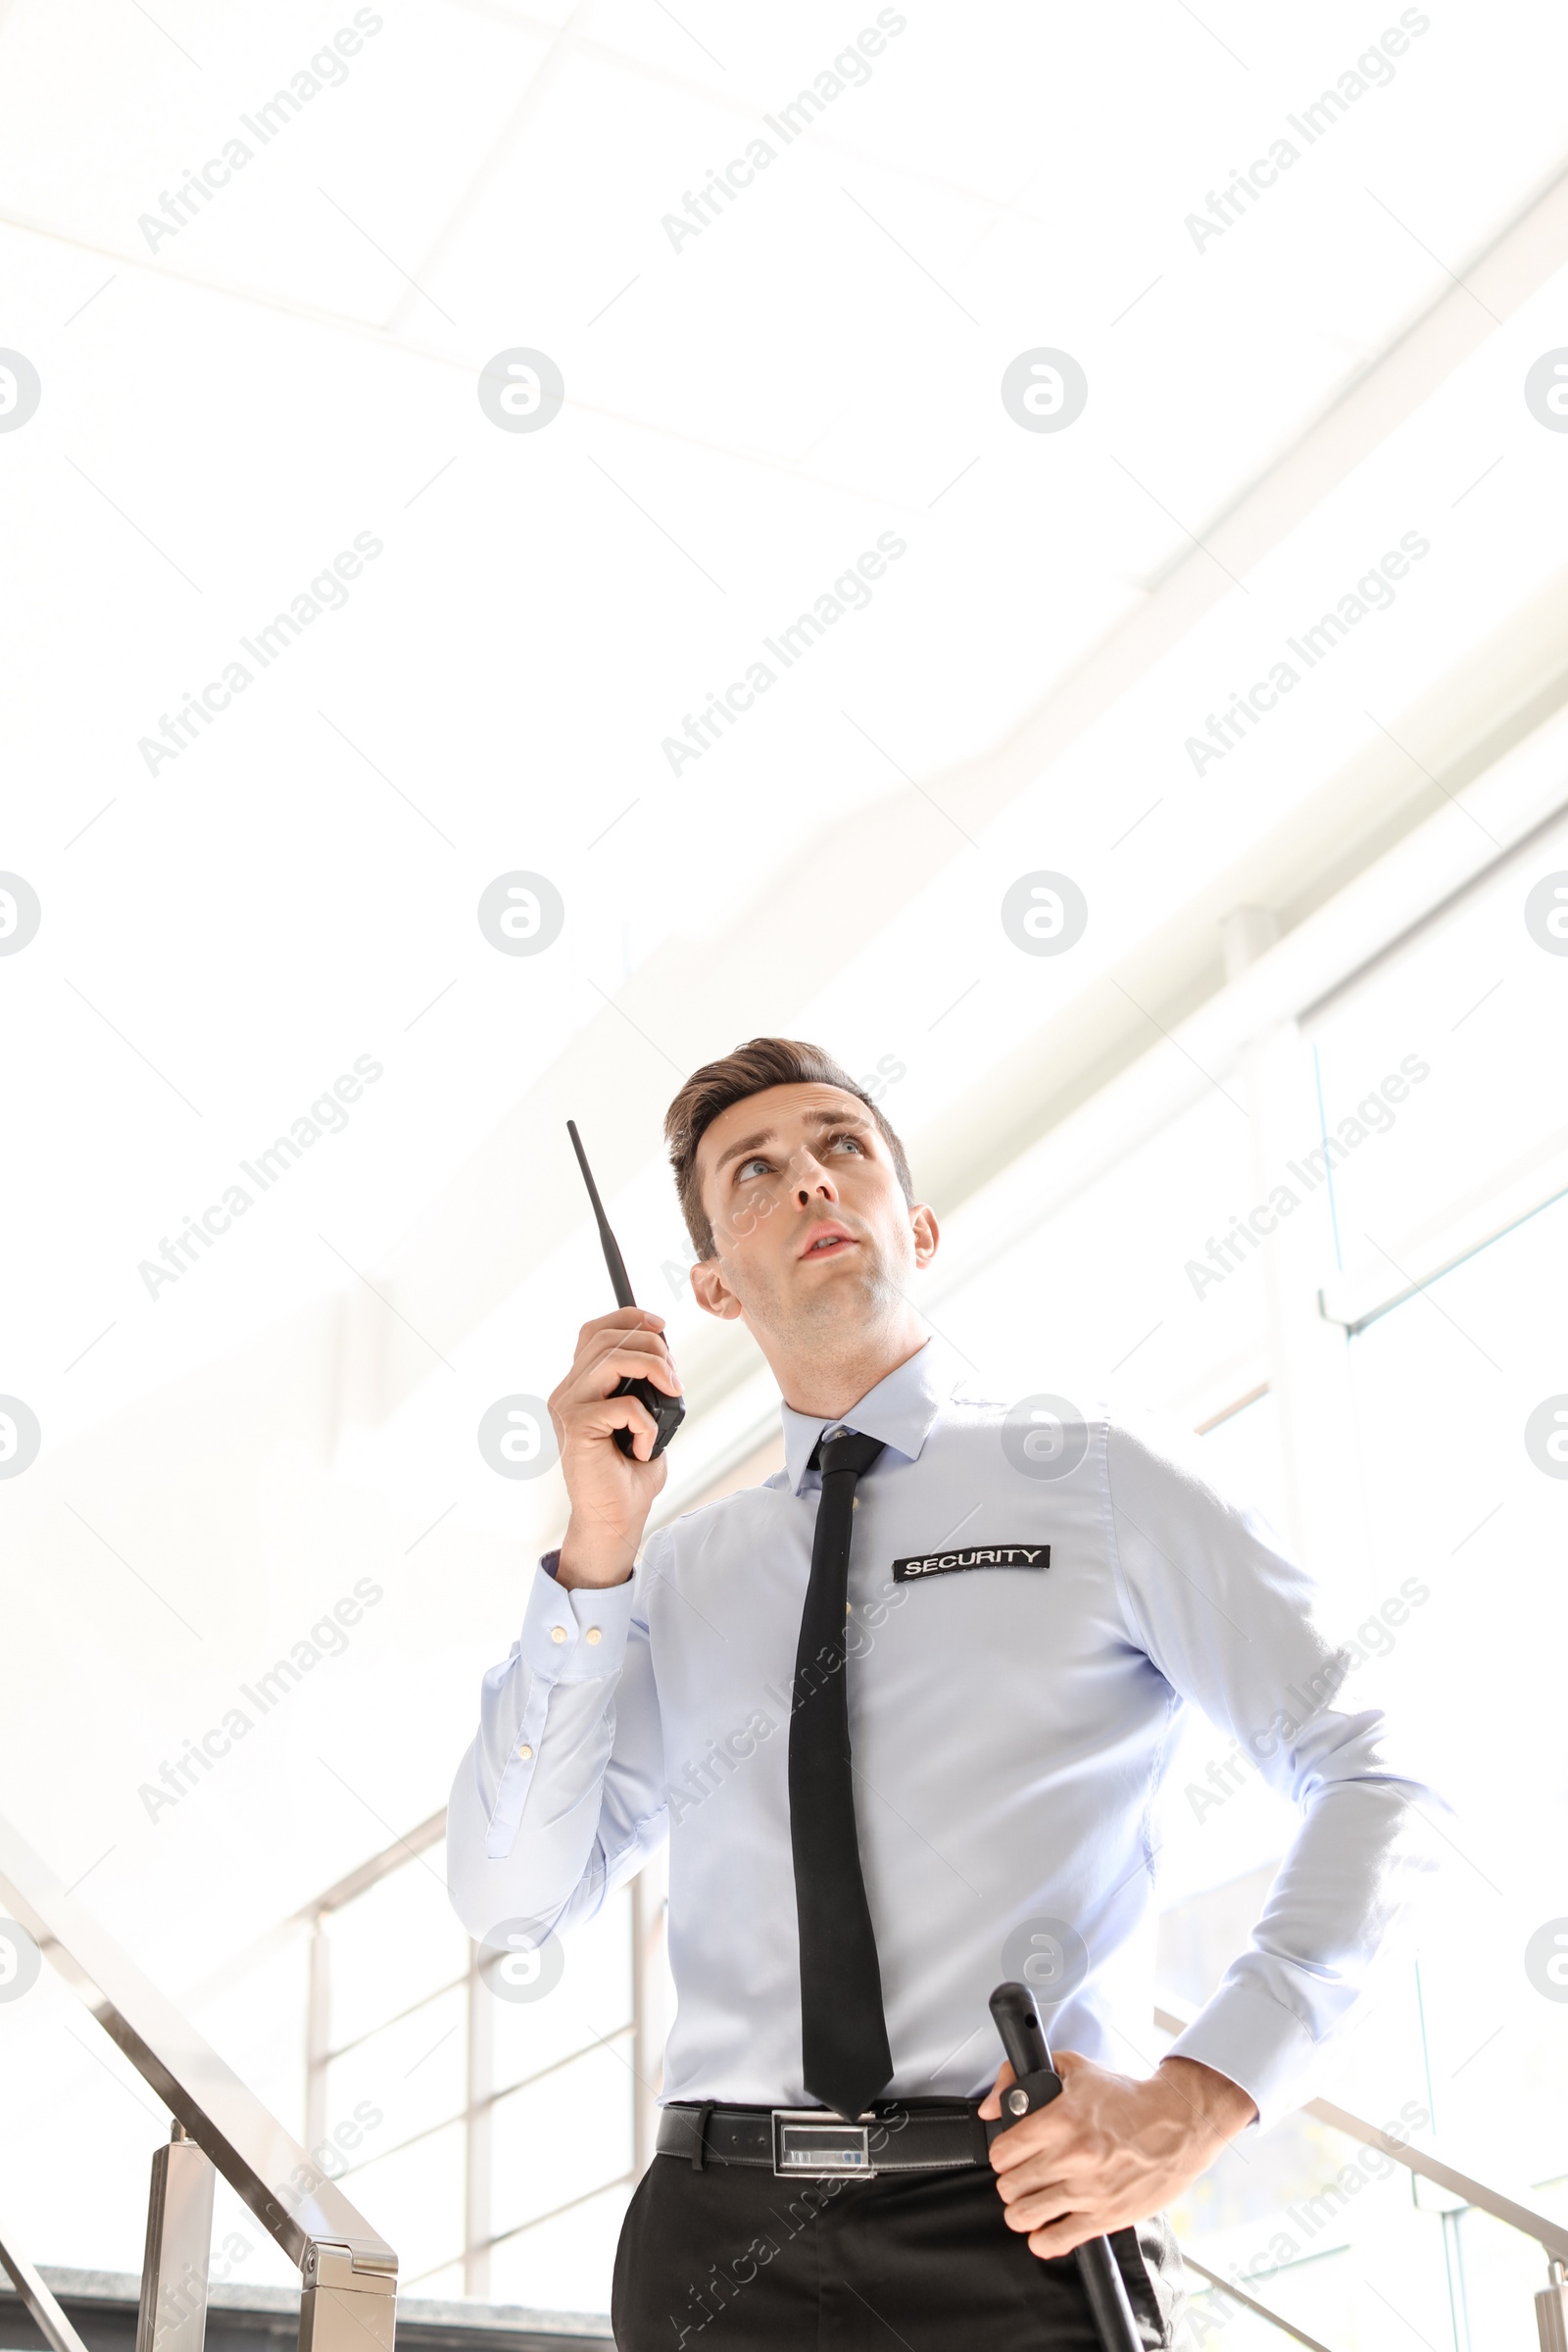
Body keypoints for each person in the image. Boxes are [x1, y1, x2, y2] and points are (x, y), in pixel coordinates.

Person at [447, 1037, 1436, 2350]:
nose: (807, 1181)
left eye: (840, 1148)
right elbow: (508, 1897)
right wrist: (593, 1552)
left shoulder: (1096, 1480)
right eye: (755, 1172)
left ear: (912, 1225)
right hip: (714, 2242)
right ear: (711, 1289)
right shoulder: (667, 1579)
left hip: (1016, 2224)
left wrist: (1204, 2094)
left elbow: (1378, 1773)